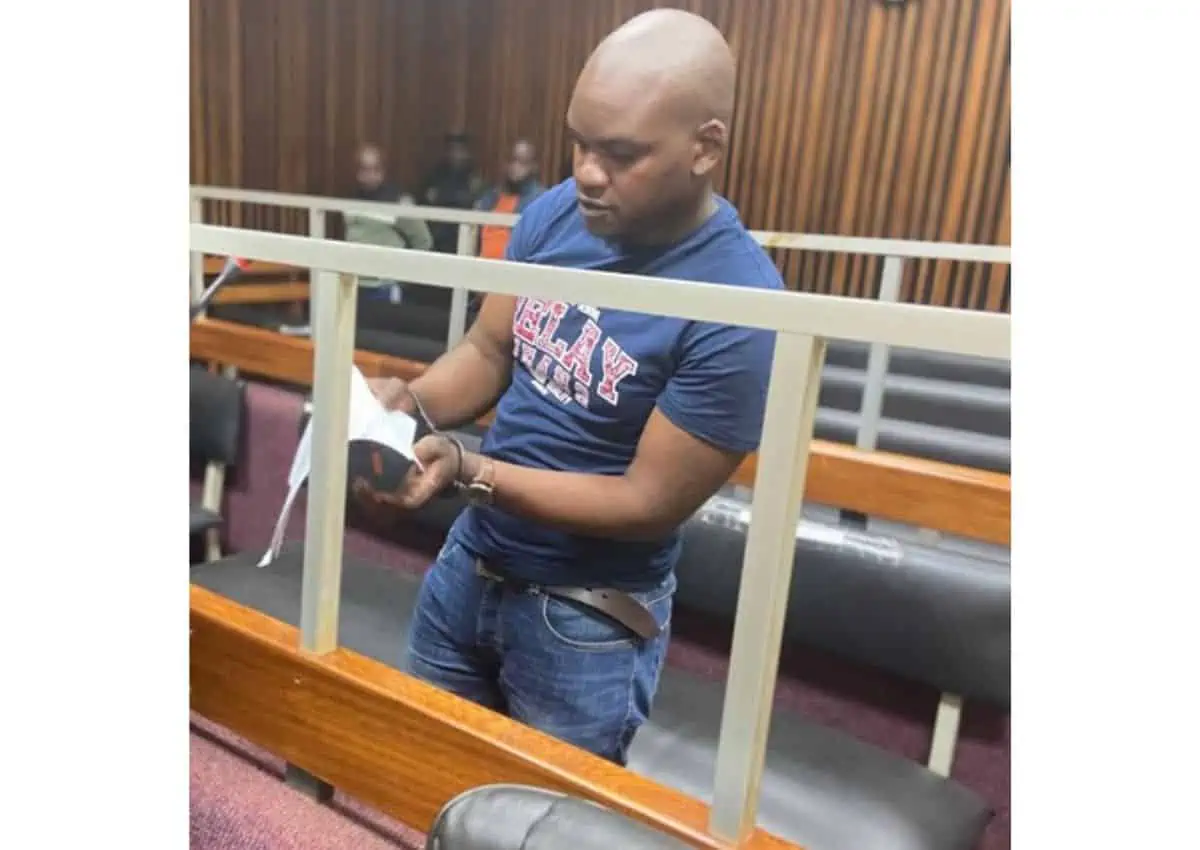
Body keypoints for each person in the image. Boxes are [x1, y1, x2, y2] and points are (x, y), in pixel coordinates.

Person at [355, 9, 781, 765]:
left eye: (620, 154)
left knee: (544, 816)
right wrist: (408, 403)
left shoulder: (739, 304)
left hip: (584, 619)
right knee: (421, 778)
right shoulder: (558, 214)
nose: (587, 172)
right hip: (471, 564)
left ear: (705, 147)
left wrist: (473, 471)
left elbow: (646, 503)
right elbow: (489, 348)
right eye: (579, 142)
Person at [343, 143, 432, 304]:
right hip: (355, 284)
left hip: (384, 288)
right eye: (364, 170)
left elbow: (423, 241)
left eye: (375, 169)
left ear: (383, 171)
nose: (370, 175)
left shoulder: (399, 203)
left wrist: (403, 277)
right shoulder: (350, 203)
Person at [476, 139, 545, 260]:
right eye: (512, 160)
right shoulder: (491, 197)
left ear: (534, 167)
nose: (515, 167)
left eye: (523, 162)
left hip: (513, 267)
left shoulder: (540, 199)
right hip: (481, 265)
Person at [421, 132, 484, 253]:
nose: (455, 154)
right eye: (452, 149)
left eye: (460, 150)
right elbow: (428, 197)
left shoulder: (473, 174)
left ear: (466, 152)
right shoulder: (437, 172)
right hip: (438, 229)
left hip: (462, 231)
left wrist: (444, 196)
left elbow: (472, 200)